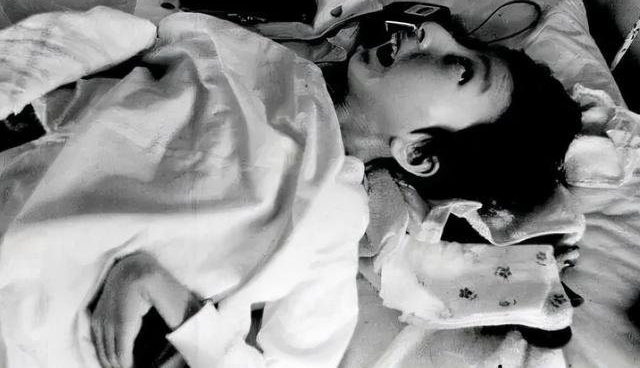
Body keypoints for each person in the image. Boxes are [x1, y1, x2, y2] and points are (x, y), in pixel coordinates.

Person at [90, 18, 582, 367]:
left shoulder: (333, 214)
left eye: (461, 70)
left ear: (418, 154)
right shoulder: (273, 60)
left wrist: (161, 290)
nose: (429, 29)